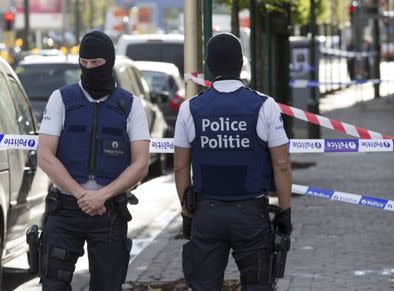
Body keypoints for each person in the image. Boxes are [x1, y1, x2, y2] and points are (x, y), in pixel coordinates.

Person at [173, 32, 292, 291]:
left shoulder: (190, 108)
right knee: (258, 285)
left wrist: (186, 212)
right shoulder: (265, 105)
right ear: (241, 63)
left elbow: (181, 167)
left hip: (207, 213)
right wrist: (285, 211)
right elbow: (281, 165)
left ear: (209, 64)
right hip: (251, 214)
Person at [37, 30, 150, 291]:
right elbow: (45, 155)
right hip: (65, 209)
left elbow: (141, 163)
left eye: (96, 64)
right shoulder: (61, 99)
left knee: (108, 285)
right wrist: (81, 195)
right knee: (53, 285)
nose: (89, 69)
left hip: (109, 212)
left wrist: (103, 195)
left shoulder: (130, 105)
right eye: (84, 63)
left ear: (108, 62)